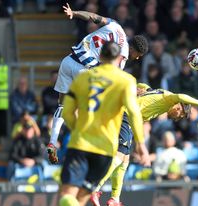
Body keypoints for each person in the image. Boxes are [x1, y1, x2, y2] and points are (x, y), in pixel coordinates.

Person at [90, 83, 198, 206]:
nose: (178, 117)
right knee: (119, 156)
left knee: (125, 161)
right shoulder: (169, 98)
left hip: (129, 119)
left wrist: (136, 89)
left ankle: (115, 198)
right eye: (181, 113)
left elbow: (142, 85)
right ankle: (95, 188)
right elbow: (180, 95)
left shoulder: (158, 93)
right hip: (125, 114)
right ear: (179, 105)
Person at [57, 42, 150, 206]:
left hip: (80, 144)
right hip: (106, 150)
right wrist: (140, 144)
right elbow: (133, 113)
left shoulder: (82, 78)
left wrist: (77, 129)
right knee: (78, 202)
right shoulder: (126, 81)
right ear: (118, 59)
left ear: (100, 57)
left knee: (67, 196)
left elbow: (67, 112)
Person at [46, 3, 149, 163]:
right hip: (84, 71)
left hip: (68, 61)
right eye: (138, 56)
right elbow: (112, 78)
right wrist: (133, 90)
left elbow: (93, 17)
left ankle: (53, 141)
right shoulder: (121, 56)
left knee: (62, 105)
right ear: (137, 53)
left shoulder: (116, 26)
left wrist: (74, 13)